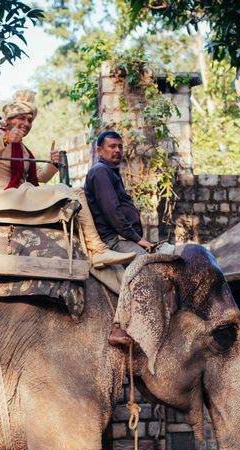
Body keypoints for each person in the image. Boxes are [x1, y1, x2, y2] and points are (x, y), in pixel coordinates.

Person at [0, 90, 134, 268]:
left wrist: (52, 163)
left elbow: (40, 176)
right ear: (10, 119)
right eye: (22, 118)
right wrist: (5, 139)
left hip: (20, 194)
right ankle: (98, 250)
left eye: (30, 120)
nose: (26, 124)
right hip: (3, 198)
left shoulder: (23, 148)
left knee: (76, 192)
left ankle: (97, 249)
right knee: (67, 191)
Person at [83, 130, 156, 346]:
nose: (117, 150)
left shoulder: (110, 172)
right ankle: (120, 326)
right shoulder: (100, 172)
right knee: (146, 267)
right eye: (111, 146)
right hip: (112, 239)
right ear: (99, 150)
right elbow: (112, 211)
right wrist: (136, 238)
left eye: (119, 146)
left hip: (121, 237)